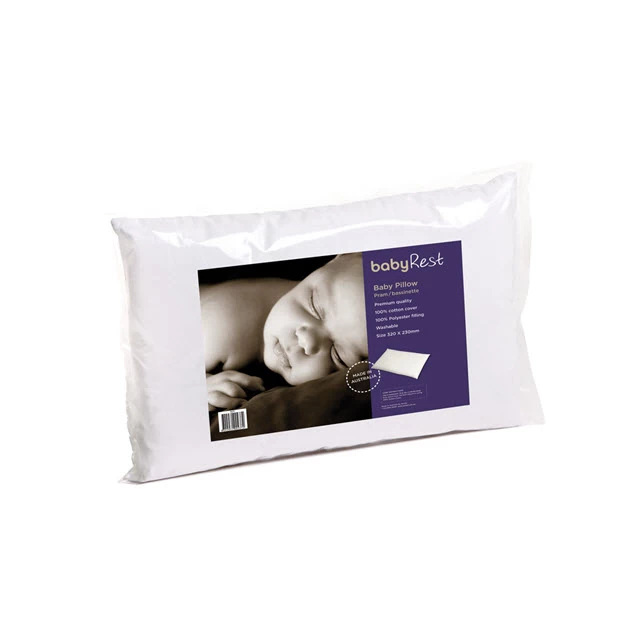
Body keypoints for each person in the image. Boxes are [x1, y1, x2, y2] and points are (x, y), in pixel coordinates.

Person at [200, 253, 368, 410]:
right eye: (313, 306)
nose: (306, 342)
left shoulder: (325, 288)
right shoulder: (225, 327)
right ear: (333, 261)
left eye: (338, 356)